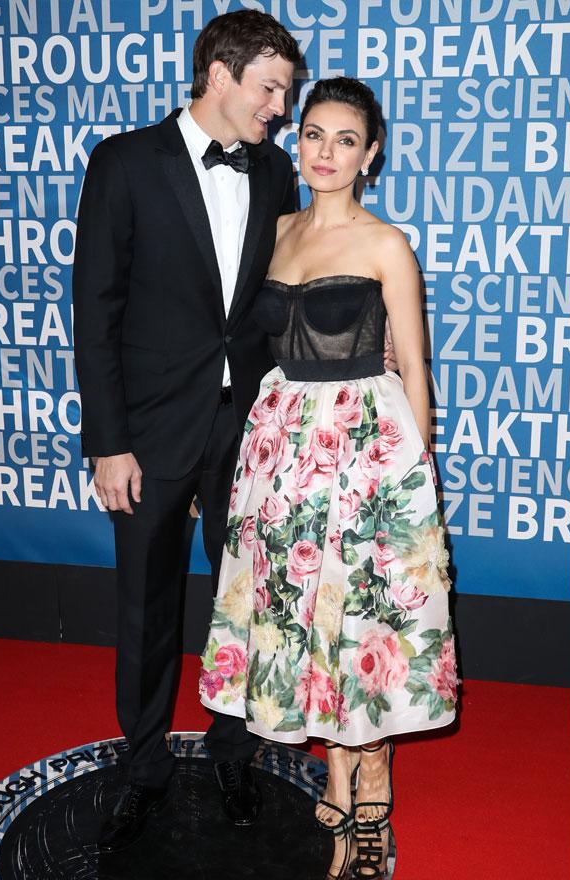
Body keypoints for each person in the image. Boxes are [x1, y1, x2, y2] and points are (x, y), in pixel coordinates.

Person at [197, 77, 459, 879]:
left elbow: (414, 367)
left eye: (347, 140)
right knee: (304, 613)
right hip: (280, 451)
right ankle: (337, 767)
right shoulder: (275, 232)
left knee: (361, 618)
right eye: (314, 134)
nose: (327, 152)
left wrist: (417, 481)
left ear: (370, 154)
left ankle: (370, 778)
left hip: (365, 452)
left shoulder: (387, 245)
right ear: (297, 140)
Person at [72, 10, 304, 853]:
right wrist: (107, 441)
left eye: (287, 90)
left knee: (247, 602)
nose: (282, 106)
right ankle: (142, 770)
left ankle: (234, 751)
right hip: (146, 430)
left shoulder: (276, 171)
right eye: (270, 87)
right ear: (218, 73)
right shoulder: (125, 162)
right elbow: (93, 310)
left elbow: (278, 296)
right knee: (146, 606)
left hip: (248, 427)